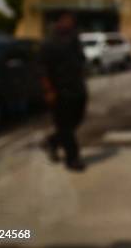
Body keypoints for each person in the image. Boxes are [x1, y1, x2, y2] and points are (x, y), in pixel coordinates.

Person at [41, 12, 87, 171]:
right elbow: (43, 70)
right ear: (59, 22)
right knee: (65, 126)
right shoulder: (48, 43)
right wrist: (49, 91)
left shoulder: (74, 41)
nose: (70, 24)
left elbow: (81, 61)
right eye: (66, 21)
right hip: (59, 91)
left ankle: (52, 141)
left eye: (72, 21)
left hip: (78, 89)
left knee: (77, 120)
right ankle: (72, 159)